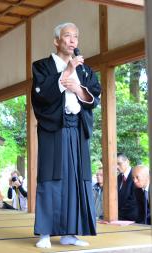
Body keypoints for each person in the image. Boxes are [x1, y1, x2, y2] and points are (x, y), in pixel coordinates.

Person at [31, 22, 101, 249]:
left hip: (77, 129)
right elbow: (40, 96)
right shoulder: (42, 66)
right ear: (56, 40)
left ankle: (70, 233)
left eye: (76, 37)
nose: (73, 40)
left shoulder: (86, 70)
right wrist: (66, 73)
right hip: (54, 129)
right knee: (51, 179)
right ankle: (45, 233)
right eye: (68, 36)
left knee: (76, 180)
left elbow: (94, 97)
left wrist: (79, 89)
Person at [117, 153, 138, 221]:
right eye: (115, 164)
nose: (117, 167)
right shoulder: (118, 177)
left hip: (131, 218)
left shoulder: (135, 176)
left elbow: (133, 200)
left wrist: (118, 213)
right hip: (119, 218)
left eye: (119, 163)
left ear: (127, 162)